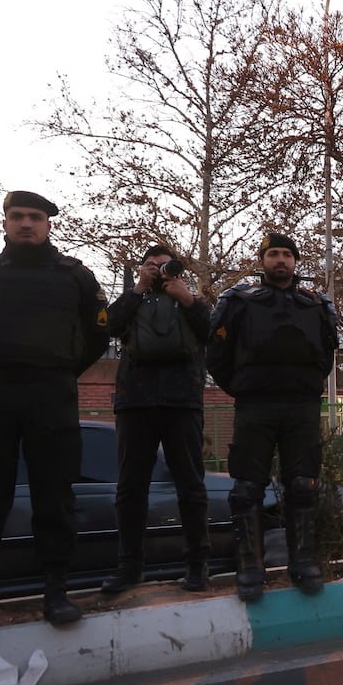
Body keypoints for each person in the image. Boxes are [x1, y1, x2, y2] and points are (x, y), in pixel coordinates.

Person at [0, 191, 109, 625]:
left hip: (52, 394)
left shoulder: (75, 276)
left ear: (48, 224)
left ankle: (56, 591)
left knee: (54, 496)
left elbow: (98, 334)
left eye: (36, 216)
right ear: (5, 222)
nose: (27, 223)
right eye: (18, 216)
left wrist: (61, 368)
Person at [207, 232, 337, 602]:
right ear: (262, 260)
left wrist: (307, 388)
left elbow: (326, 355)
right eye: (273, 254)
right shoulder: (238, 301)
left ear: (296, 261)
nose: (280, 260)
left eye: (286, 255)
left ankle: (304, 562)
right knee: (247, 489)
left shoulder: (315, 304)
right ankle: (250, 568)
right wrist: (244, 388)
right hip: (255, 406)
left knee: (302, 485)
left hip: (301, 407)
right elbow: (216, 353)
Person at [101, 244, 211, 595]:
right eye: (152, 266)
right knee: (130, 488)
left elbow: (215, 332)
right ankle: (129, 567)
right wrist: (137, 289)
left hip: (183, 400)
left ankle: (198, 566)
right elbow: (108, 326)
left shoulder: (187, 298)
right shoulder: (133, 299)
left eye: (166, 267)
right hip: (136, 401)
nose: (159, 272)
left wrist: (188, 298)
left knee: (191, 486)